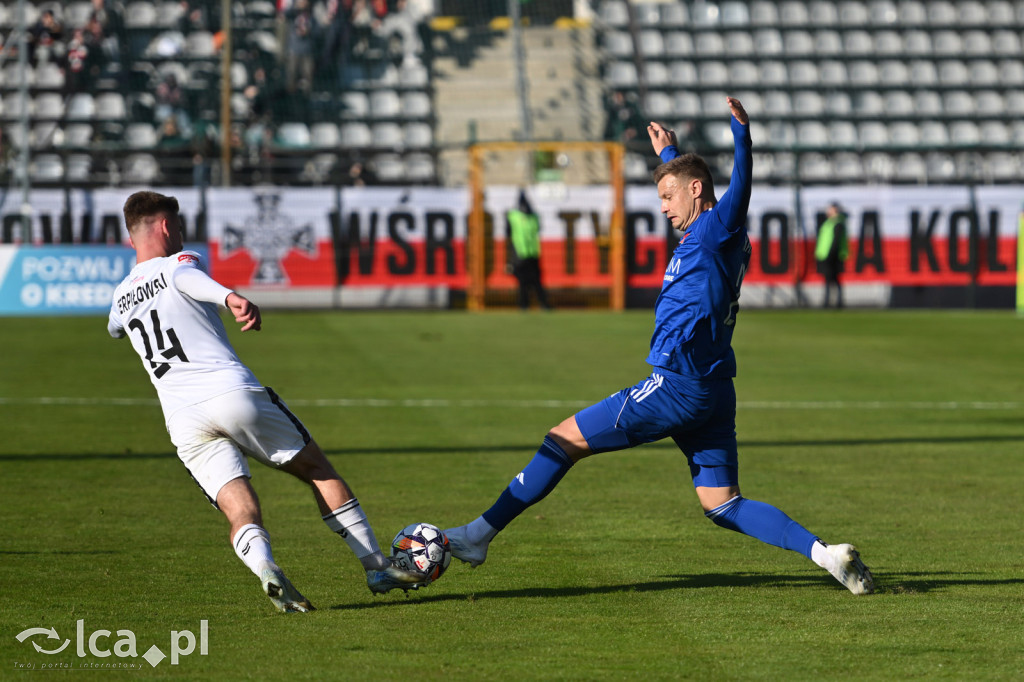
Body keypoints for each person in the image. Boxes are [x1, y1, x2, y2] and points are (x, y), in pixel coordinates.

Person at [443, 99, 875, 596]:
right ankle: (827, 555)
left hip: (676, 384)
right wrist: (667, 151)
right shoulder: (708, 231)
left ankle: (478, 535)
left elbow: (737, 190)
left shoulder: (717, 228)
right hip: (713, 390)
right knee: (723, 504)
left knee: (562, 440)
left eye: (669, 196)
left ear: (697, 191)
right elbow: (693, 184)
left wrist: (741, 137)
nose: (663, 207)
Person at [107, 191, 424, 612]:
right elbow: (187, 280)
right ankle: (376, 566)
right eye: (178, 226)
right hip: (230, 394)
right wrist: (229, 297)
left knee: (241, 509)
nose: (182, 234)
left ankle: (266, 569)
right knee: (316, 469)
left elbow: (114, 328)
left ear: (132, 238)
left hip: (182, 419)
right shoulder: (179, 263)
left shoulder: (119, 298)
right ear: (165, 227)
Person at [507, 189, 551, 310]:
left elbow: (508, 233)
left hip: (524, 254)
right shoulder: (533, 217)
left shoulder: (513, 216)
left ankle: (527, 305)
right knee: (532, 282)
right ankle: (537, 304)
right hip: (527, 254)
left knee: (528, 282)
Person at [816, 202, 849, 308]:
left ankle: (832, 302)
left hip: (833, 256)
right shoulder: (829, 223)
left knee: (832, 279)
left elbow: (836, 241)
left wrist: (831, 254)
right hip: (825, 255)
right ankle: (832, 301)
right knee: (831, 279)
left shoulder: (838, 223)